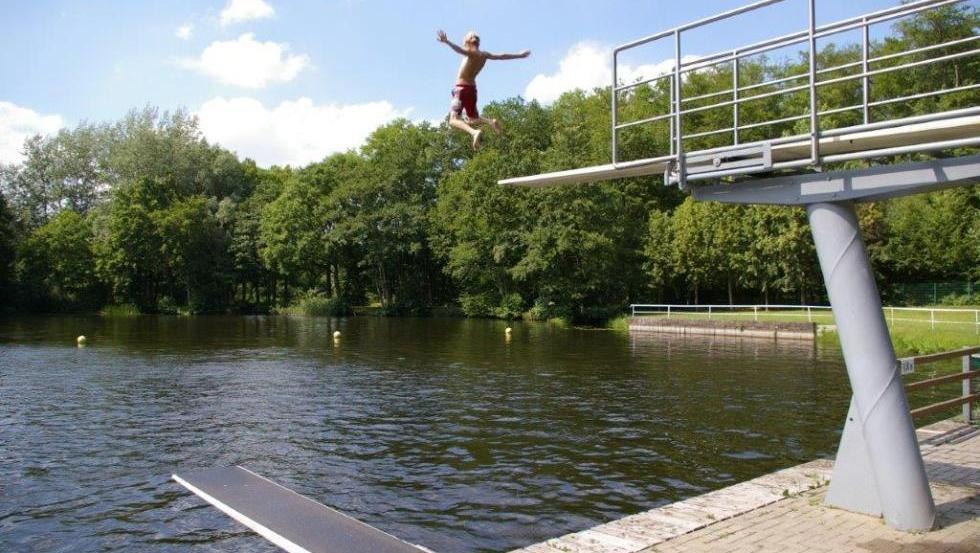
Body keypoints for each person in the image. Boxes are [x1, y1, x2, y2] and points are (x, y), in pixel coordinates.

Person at [436, 30, 530, 150]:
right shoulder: (484, 55)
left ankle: (474, 132)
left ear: (468, 41)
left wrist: (447, 42)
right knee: (472, 119)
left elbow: (459, 50)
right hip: (472, 90)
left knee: (453, 120)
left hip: (460, 90)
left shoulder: (470, 53)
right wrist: (519, 55)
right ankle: (490, 121)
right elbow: (501, 56)